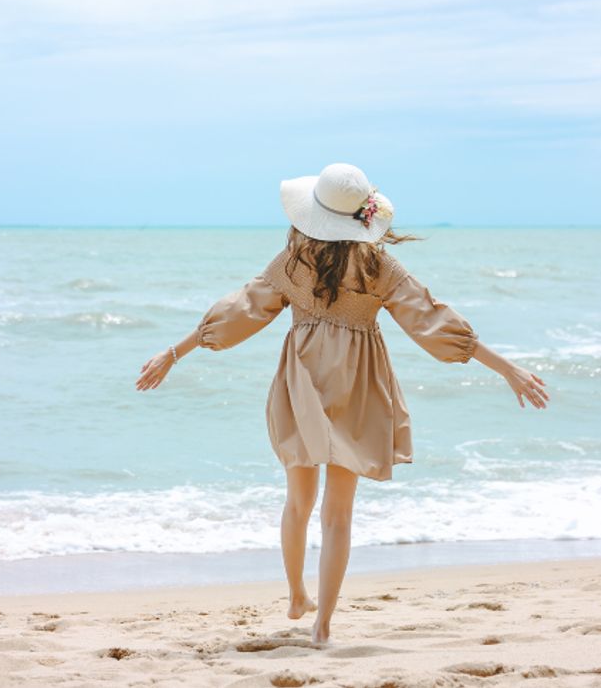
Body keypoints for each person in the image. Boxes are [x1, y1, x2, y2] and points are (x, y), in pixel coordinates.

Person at [134, 163, 548, 646]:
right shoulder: (379, 266)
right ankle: (323, 625)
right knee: (338, 514)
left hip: (302, 380)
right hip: (358, 382)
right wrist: (505, 368)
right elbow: (431, 321)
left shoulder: (294, 261)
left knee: (298, 501)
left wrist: (175, 352)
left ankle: (295, 594)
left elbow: (240, 311)